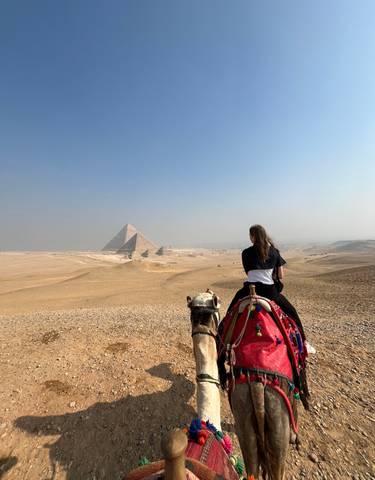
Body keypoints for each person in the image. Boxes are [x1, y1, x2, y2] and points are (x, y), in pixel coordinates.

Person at [227, 224, 306, 340]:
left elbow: (248, 273)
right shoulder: (274, 252)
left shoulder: (245, 253)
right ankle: (303, 341)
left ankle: (220, 343)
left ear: (253, 237)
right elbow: (281, 275)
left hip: (249, 290)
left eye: (250, 235)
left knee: (230, 313)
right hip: (269, 292)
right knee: (292, 312)